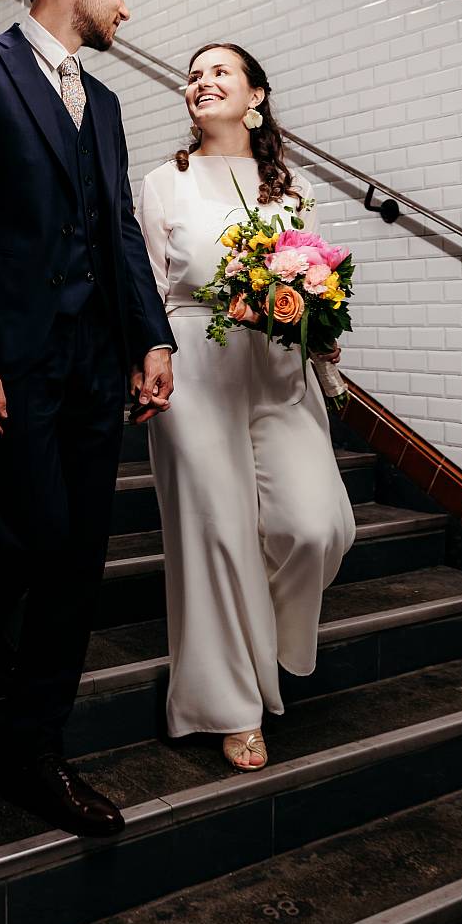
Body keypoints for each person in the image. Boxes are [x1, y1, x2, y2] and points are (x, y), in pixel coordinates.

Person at [0, 0, 175, 837]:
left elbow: (120, 232)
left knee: (75, 547)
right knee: (40, 535)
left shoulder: (102, 107)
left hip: (96, 362)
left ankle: (13, 704)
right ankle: (20, 738)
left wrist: (152, 338)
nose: (125, 9)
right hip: (13, 356)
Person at [136, 42, 356, 771]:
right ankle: (228, 706)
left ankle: (257, 625)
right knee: (218, 538)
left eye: (219, 72)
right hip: (194, 361)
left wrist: (320, 326)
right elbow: (146, 286)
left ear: (255, 96)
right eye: (194, 76)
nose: (202, 82)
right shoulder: (161, 183)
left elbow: (314, 276)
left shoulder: (291, 189)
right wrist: (147, 358)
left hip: (280, 366)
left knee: (317, 524)